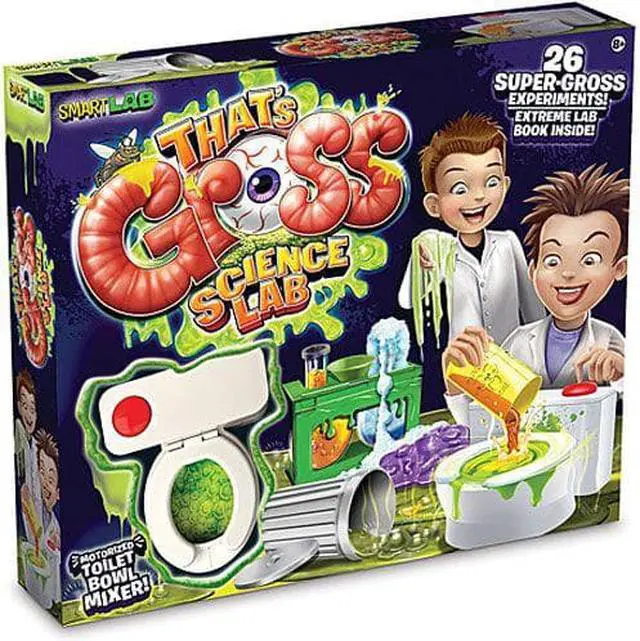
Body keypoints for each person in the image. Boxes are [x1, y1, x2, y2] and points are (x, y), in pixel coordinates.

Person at [443, 164, 627, 422]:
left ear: (619, 269)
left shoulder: (609, 340)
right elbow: (482, 421)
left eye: (590, 260)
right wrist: (455, 381)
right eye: (552, 261)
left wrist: (622, 374)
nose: (568, 273)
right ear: (533, 270)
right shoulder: (518, 342)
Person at [399, 112, 544, 346]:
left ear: (505, 185)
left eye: (492, 182)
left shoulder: (508, 243)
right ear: (434, 205)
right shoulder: (440, 251)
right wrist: (420, 263)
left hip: (513, 357)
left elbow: (533, 308)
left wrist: (537, 350)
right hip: (464, 361)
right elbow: (406, 301)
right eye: (459, 188)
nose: (478, 196)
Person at [14, 369, 42, 547]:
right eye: (25, 407)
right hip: (26, 525)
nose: (29, 415)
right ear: (18, 406)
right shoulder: (19, 433)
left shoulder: (35, 446)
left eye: (33, 409)